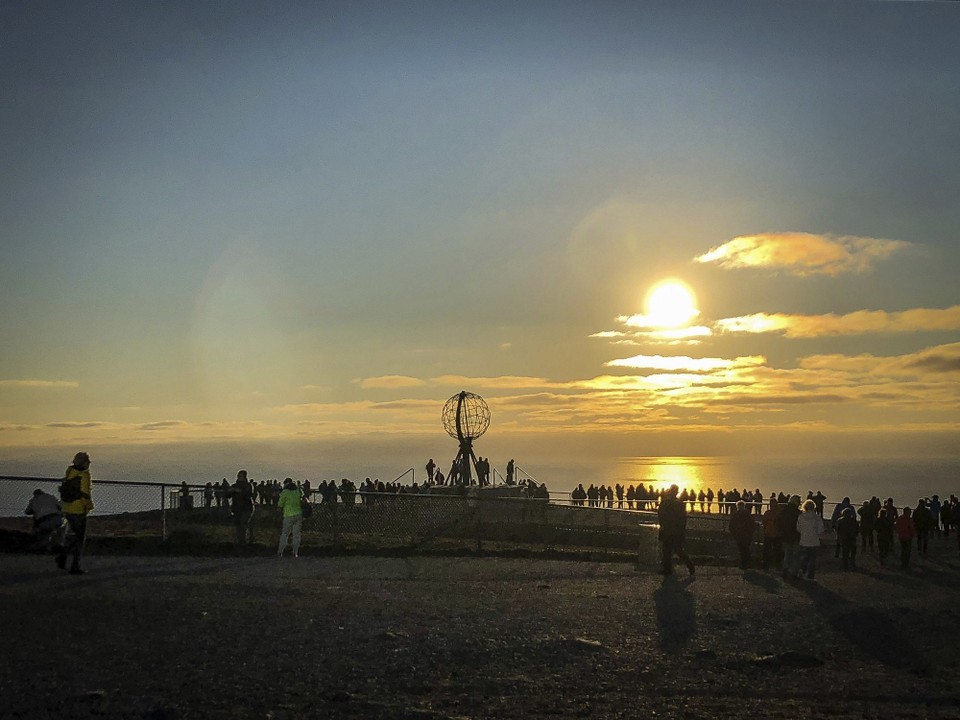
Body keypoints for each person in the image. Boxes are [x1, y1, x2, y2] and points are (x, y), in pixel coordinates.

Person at [56, 452, 94, 574]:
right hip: (78, 509)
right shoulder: (84, 475)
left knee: (74, 537)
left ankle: (62, 557)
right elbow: (85, 493)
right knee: (79, 539)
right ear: (84, 462)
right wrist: (89, 506)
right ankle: (75, 566)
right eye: (88, 461)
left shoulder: (70, 472)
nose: (89, 463)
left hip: (66, 508)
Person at [657, 484, 695, 576]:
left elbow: (661, 515)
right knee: (678, 550)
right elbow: (683, 519)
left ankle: (668, 569)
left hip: (668, 530)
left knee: (667, 551)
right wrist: (681, 530)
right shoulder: (679, 504)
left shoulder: (666, 503)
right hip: (676, 531)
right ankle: (690, 567)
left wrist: (663, 526)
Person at [797, 499, 824, 580]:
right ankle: (810, 576)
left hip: (803, 541)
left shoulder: (801, 517)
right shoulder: (817, 518)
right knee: (812, 560)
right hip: (814, 542)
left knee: (804, 558)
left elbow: (798, 529)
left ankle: (802, 571)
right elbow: (820, 530)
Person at [277, 478, 304, 558]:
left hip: (288, 515)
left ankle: (280, 551)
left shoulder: (284, 492)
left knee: (285, 534)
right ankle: (295, 552)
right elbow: (303, 499)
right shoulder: (298, 490)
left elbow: (280, 504)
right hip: (298, 514)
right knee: (296, 534)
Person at [229, 470, 255, 551]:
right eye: (238, 476)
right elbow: (228, 495)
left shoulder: (248, 485)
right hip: (236, 509)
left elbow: (249, 495)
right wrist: (230, 491)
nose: (239, 477)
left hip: (246, 508)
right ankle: (239, 542)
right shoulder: (234, 485)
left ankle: (243, 542)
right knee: (238, 526)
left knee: (243, 525)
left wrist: (239, 491)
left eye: (241, 476)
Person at [777, 495, 802, 578]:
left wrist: (781, 532)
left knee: (787, 554)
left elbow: (778, 522)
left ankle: (785, 570)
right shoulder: (798, 513)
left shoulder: (784, 511)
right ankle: (794, 573)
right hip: (795, 536)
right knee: (796, 556)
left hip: (785, 536)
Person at [729, 500, 756, 570]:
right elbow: (752, 525)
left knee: (743, 550)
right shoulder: (747, 515)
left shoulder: (736, 515)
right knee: (745, 550)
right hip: (744, 536)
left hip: (741, 535)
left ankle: (745, 564)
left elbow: (731, 526)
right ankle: (747, 564)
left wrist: (734, 533)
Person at [761, 497, 783, 570]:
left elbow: (764, 522)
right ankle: (778, 564)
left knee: (766, 550)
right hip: (777, 534)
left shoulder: (767, 513)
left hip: (768, 533)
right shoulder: (780, 513)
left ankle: (765, 564)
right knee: (778, 550)